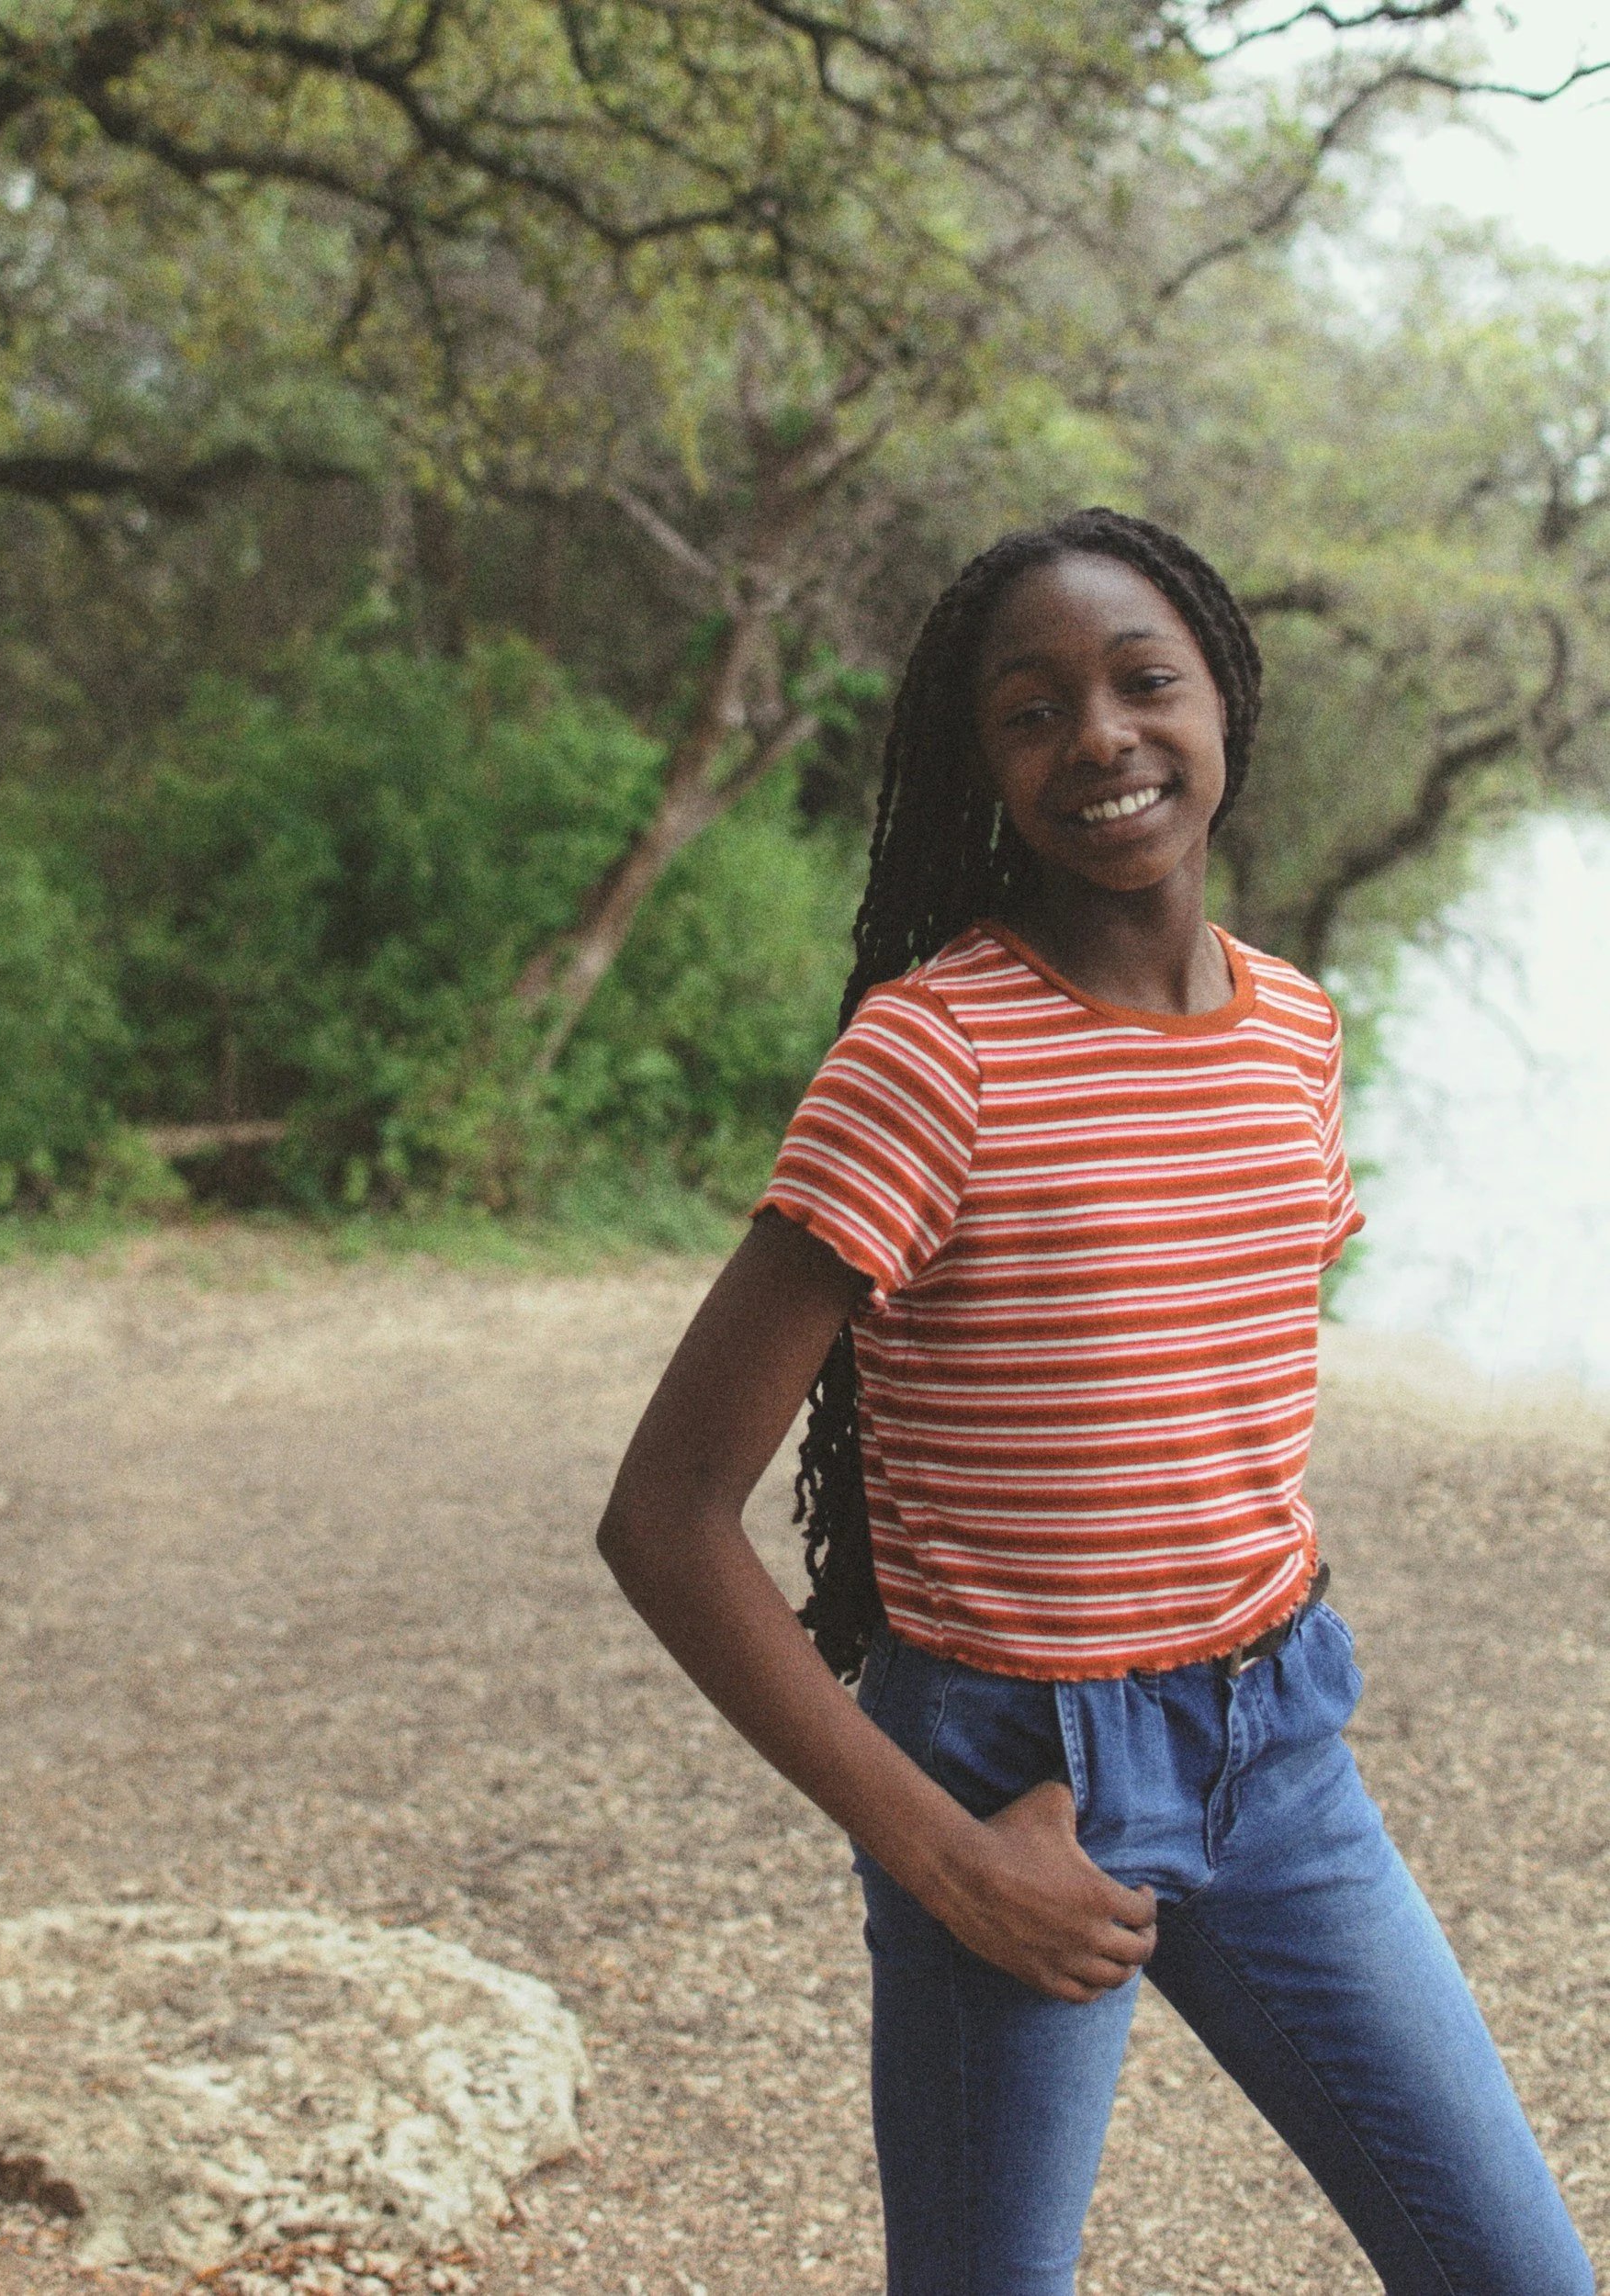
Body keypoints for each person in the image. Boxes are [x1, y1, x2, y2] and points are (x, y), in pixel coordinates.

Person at [595, 510, 1594, 2295]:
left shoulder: (1291, 1026)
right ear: (977, 768)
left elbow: (1196, 1375)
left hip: (1276, 1752)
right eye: (1030, 710)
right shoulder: (932, 1051)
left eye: (1143, 680)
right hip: (1009, 1778)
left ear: (1223, 697)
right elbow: (664, 1512)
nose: (1100, 737)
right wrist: (938, 1852)